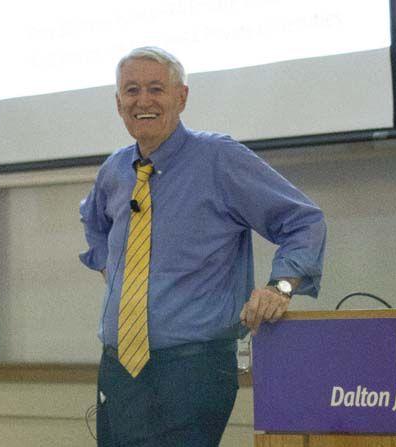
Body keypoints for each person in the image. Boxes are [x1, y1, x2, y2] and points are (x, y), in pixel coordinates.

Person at [79, 46, 326, 446]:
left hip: (192, 369)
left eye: (156, 89)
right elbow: (93, 223)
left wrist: (280, 288)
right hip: (118, 368)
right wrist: (116, 280)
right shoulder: (115, 170)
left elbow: (303, 220)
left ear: (181, 97)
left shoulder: (219, 159)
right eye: (132, 90)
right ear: (118, 103)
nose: (143, 101)